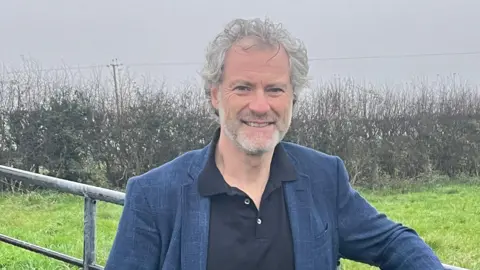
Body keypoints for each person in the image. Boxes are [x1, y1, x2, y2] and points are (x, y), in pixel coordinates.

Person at [105, 18, 445, 270]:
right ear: (214, 95)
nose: (260, 105)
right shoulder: (154, 196)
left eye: (275, 89)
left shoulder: (325, 178)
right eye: (242, 87)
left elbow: (393, 242)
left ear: (292, 98)